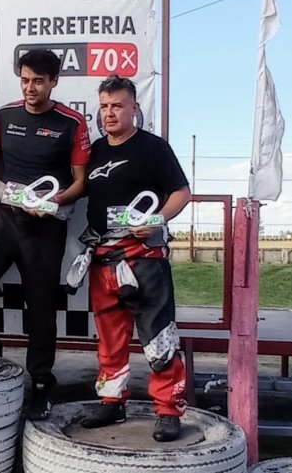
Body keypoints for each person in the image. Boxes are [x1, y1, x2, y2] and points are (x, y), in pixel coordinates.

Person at [0, 49, 91, 422]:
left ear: (54, 82)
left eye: (39, 82)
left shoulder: (71, 122)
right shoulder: (8, 115)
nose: (30, 88)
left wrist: (53, 201)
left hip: (45, 223)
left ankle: (42, 382)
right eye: (25, 80)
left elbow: (81, 181)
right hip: (4, 215)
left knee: (41, 302)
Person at [77, 74, 191, 442]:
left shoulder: (153, 148)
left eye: (118, 106)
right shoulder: (92, 152)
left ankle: (169, 410)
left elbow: (182, 192)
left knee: (158, 336)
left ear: (134, 109)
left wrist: (157, 219)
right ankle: (111, 402)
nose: (110, 113)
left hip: (145, 257)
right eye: (105, 106)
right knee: (110, 338)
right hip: (102, 257)